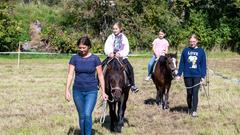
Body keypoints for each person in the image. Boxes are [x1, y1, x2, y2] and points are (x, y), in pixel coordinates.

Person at [65, 36, 108, 135]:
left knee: (87, 114)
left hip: (91, 91)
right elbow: (70, 75)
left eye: (84, 47)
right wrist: (67, 90)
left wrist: (103, 91)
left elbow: (101, 76)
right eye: (80, 48)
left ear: (89, 46)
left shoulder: (95, 59)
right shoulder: (74, 58)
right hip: (77, 91)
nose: (82, 50)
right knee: (82, 115)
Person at [102, 21, 139, 93]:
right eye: (113, 29)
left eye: (116, 29)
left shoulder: (124, 38)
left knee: (130, 68)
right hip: (111, 57)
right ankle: (97, 83)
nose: (114, 30)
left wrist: (120, 54)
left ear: (120, 29)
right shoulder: (110, 37)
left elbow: (126, 49)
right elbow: (106, 46)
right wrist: (109, 53)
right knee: (101, 65)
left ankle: (132, 85)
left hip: (121, 57)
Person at [176, 34, 207, 117]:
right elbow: (182, 63)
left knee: (195, 93)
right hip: (187, 75)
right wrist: (179, 74)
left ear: (197, 41)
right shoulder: (185, 51)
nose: (192, 43)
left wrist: (203, 76)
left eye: (194, 41)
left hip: (197, 75)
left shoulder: (201, 51)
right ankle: (189, 107)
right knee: (189, 93)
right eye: (190, 41)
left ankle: (194, 111)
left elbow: (203, 65)